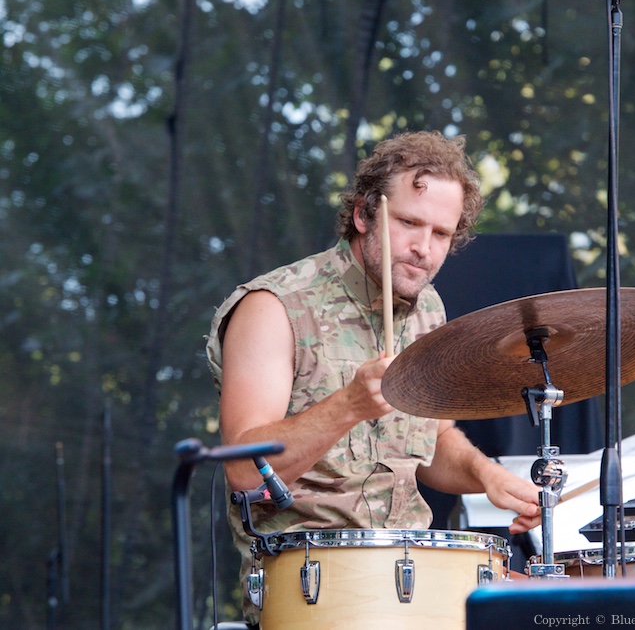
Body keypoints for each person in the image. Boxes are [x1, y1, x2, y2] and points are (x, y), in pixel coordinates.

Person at [205, 131, 541, 626]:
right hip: (313, 588)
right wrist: (348, 406)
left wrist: (486, 475)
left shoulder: (428, 310)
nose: (423, 248)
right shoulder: (275, 307)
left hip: (414, 576)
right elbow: (244, 470)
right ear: (364, 214)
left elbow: (434, 441)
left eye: (441, 234)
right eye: (408, 223)